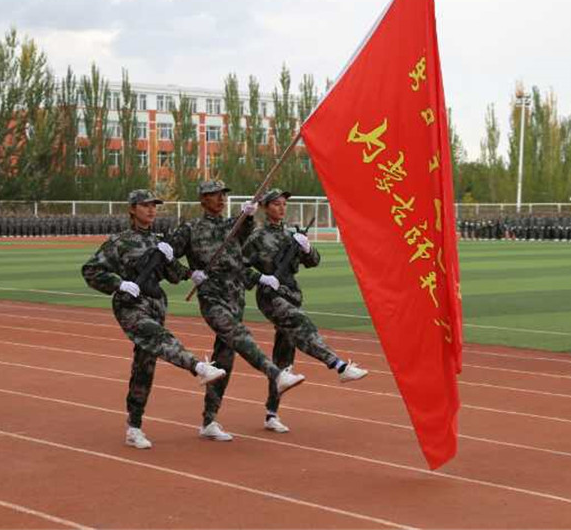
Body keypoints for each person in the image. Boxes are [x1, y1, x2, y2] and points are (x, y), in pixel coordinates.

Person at [82, 189, 227, 450]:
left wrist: (189, 273)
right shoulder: (120, 241)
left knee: (145, 364)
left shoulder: (159, 242)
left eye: (154, 206)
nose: (151, 210)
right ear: (132, 209)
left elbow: (172, 273)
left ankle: (134, 427)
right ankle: (198, 367)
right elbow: (91, 270)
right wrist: (119, 283)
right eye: (145, 205)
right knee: (158, 337)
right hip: (130, 306)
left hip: (155, 304)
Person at [170, 180, 306, 442]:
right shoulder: (190, 228)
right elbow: (166, 256)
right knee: (239, 335)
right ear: (203, 200)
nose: (221, 199)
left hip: (236, 298)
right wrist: (188, 273)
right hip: (213, 298)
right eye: (214, 195)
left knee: (224, 360)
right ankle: (275, 373)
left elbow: (244, 241)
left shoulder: (233, 225)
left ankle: (209, 421)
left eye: (223, 194)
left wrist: (248, 217)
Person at [243, 189, 368, 433]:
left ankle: (271, 414)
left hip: (291, 294)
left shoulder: (291, 236)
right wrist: (261, 278)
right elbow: (239, 266)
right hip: (270, 296)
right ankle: (340, 366)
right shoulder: (257, 237)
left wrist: (308, 248)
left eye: (283, 204)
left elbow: (313, 261)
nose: (281, 208)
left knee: (283, 358)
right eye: (276, 204)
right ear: (265, 208)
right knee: (302, 323)